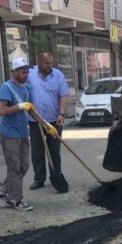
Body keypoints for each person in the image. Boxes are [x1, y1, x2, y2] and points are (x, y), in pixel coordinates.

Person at [0, 58, 59, 211]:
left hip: (23, 131)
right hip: (9, 133)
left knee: (24, 165)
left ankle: (2, 190)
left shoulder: (26, 88)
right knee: (14, 167)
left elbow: (31, 109)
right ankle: (16, 199)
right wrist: (19, 106)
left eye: (27, 71)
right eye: (23, 71)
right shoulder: (6, 88)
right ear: (14, 72)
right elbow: (1, 110)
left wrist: (46, 124)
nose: (26, 74)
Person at [27, 51, 71, 191]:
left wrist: (61, 114)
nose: (49, 66)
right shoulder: (29, 74)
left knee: (54, 150)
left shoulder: (58, 75)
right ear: (39, 62)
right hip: (35, 121)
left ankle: (56, 174)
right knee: (37, 151)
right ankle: (39, 179)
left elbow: (63, 96)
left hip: (53, 121)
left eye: (51, 63)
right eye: (46, 63)